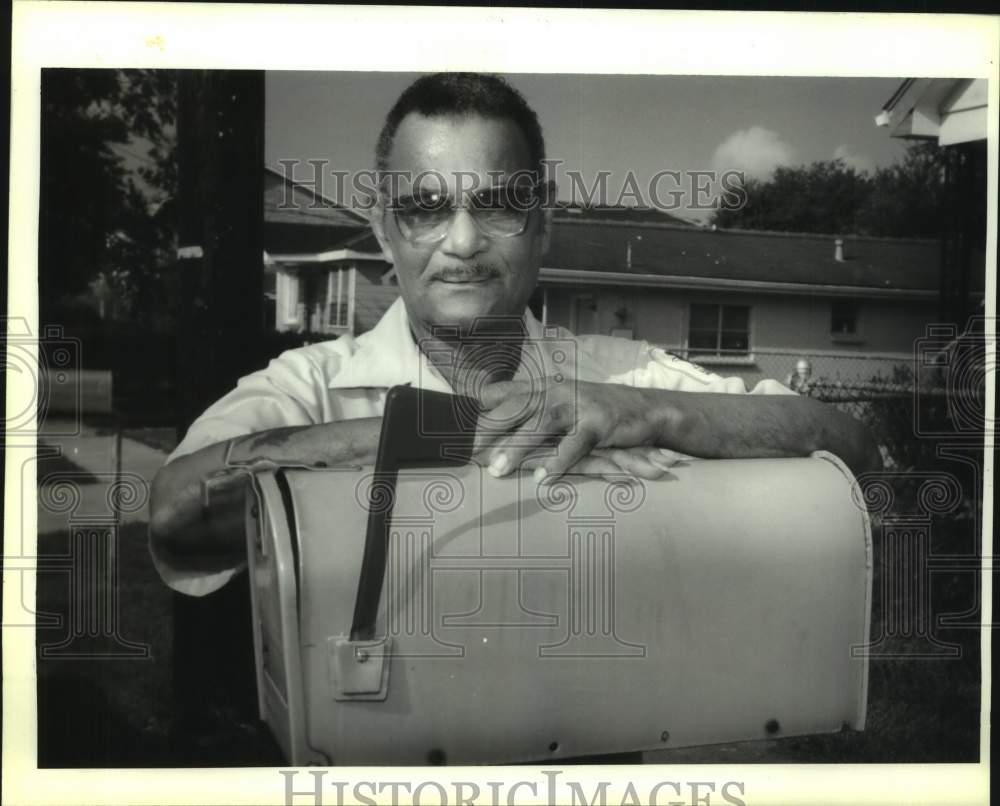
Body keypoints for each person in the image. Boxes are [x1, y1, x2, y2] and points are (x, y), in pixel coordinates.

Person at [150, 72, 881, 596]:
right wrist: (456, 432)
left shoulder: (616, 380)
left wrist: (655, 413)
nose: (463, 242)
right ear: (381, 228)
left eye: (498, 205)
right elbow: (175, 509)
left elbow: (852, 447)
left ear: (544, 222)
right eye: (426, 208)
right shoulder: (309, 386)